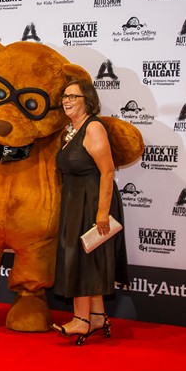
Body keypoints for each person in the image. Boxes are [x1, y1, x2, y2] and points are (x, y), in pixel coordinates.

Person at [51, 79, 127, 344]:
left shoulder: (93, 127)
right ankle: (96, 316)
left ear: (88, 100)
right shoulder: (71, 130)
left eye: (73, 96)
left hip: (93, 202)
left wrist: (102, 213)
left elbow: (107, 171)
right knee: (86, 260)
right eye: (64, 96)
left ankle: (80, 320)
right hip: (75, 202)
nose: (67, 100)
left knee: (80, 261)